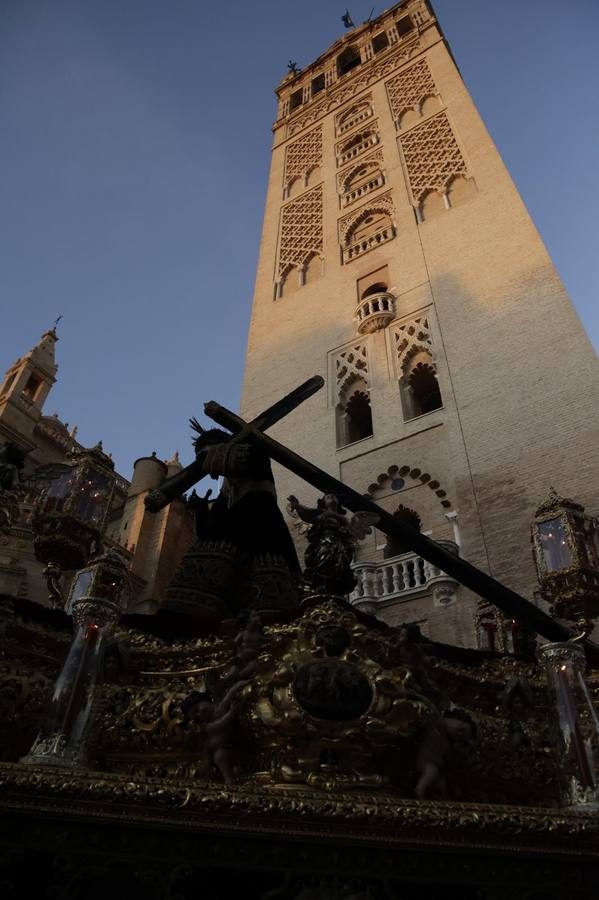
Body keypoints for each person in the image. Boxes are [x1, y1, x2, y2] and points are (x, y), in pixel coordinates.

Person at [164, 426, 301, 620]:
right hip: (233, 536)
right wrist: (201, 509)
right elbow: (207, 533)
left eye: (205, 456)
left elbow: (252, 463)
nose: (208, 471)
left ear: (221, 448)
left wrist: (206, 461)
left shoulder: (253, 452)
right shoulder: (226, 491)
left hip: (262, 525)